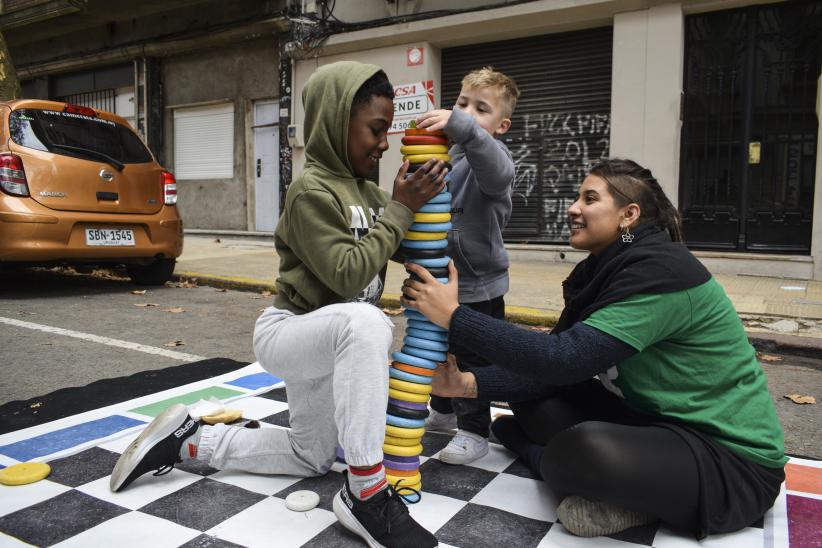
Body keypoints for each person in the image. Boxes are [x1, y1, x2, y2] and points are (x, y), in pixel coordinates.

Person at [109, 61, 447, 548]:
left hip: (335, 342)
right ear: (335, 122)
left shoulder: (375, 194)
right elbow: (349, 272)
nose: (384, 144)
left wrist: (428, 202)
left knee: (310, 456)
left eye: (387, 131)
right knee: (369, 322)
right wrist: (400, 209)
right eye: (375, 130)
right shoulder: (309, 191)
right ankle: (366, 495)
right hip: (290, 331)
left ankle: (190, 440)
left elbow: (407, 248)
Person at [400, 158, 786, 539]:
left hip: (731, 464)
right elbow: (553, 369)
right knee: (533, 394)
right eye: (576, 198)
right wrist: (463, 384)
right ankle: (591, 474)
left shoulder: (661, 271)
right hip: (654, 424)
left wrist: (454, 316)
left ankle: (550, 461)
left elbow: (565, 359)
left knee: (584, 448)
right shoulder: (608, 267)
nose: (573, 209)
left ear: (628, 215)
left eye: (589, 199)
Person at [412, 67, 519, 465]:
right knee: (437, 349)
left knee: (474, 359)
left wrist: (465, 127)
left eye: (481, 109)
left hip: (478, 286)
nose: (467, 113)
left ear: (501, 124)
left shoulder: (494, 159)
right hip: (437, 280)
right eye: (462, 104)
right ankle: (441, 411)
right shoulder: (446, 158)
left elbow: (498, 172)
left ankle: (474, 431)